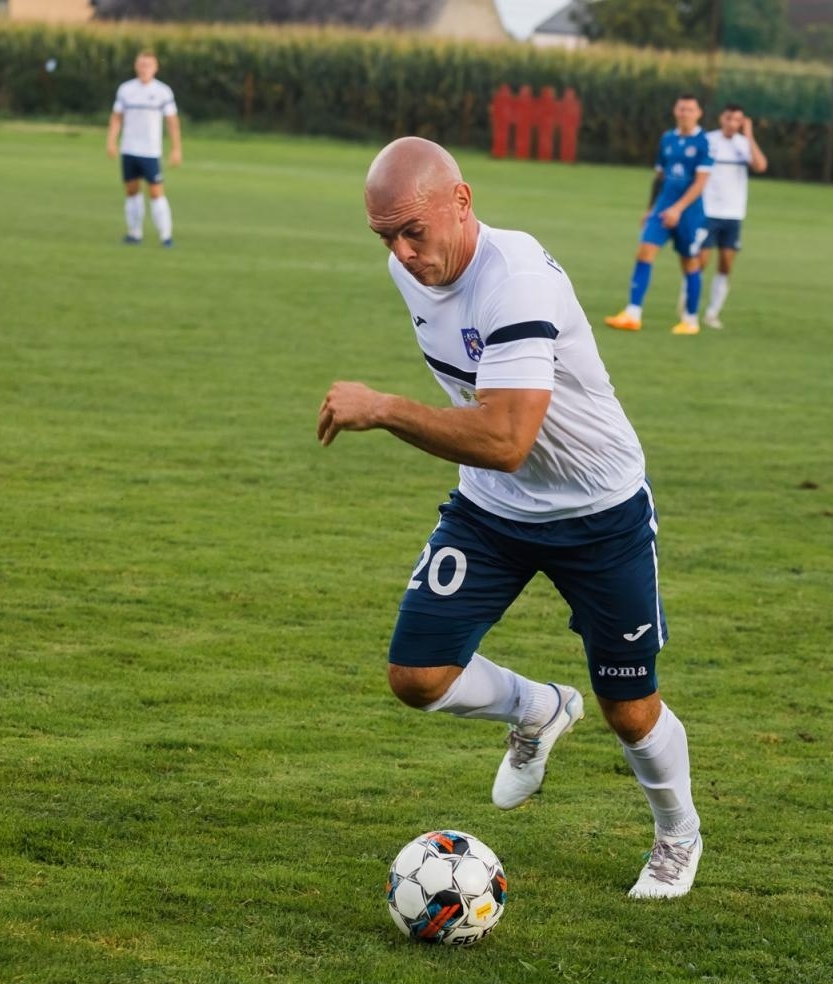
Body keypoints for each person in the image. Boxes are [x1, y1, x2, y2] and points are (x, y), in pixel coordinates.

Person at [318, 137, 703, 899]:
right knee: (417, 675)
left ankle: (676, 837)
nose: (400, 252)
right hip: (493, 509)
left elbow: (505, 437)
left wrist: (386, 408)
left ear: (461, 202)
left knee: (629, 709)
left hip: (599, 509)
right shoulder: (408, 267)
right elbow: (494, 450)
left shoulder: (516, 281)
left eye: (411, 232)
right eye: (384, 237)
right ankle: (538, 708)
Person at [605, 94, 712, 335]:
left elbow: (700, 183)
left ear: (698, 113)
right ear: (675, 110)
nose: (685, 113)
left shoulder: (704, 142)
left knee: (689, 263)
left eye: (690, 109)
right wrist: (651, 208)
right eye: (682, 108)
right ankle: (633, 313)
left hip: (689, 214)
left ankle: (690, 320)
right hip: (662, 209)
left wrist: (678, 209)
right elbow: (660, 177)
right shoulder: (667, 139)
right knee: (644, 252)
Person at [697, 103, 767, 329]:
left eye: (737, 120)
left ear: (742, 122)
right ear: (721, 119)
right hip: (707, 210)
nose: (731, 123)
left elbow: (760, 166)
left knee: (726, 264)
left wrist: (749, 136)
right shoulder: (708, 140)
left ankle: (712, 313)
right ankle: (689, 309)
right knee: (699, 262)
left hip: (733, 213)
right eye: (728, 118)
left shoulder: (743, 144)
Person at [105, 50, 182, 247]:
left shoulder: (163, 92)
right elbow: (116, 118)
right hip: (129, 149)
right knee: (131, 191)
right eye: (141, 64)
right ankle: (134, 233)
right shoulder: (126, 90)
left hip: (150, 151)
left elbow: (172, 122)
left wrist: (176, 148)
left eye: (149, 65)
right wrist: (111, 141)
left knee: (156, 192)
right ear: (136, 66)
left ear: (155, 68)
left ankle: (166, 235)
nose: (145, 68)